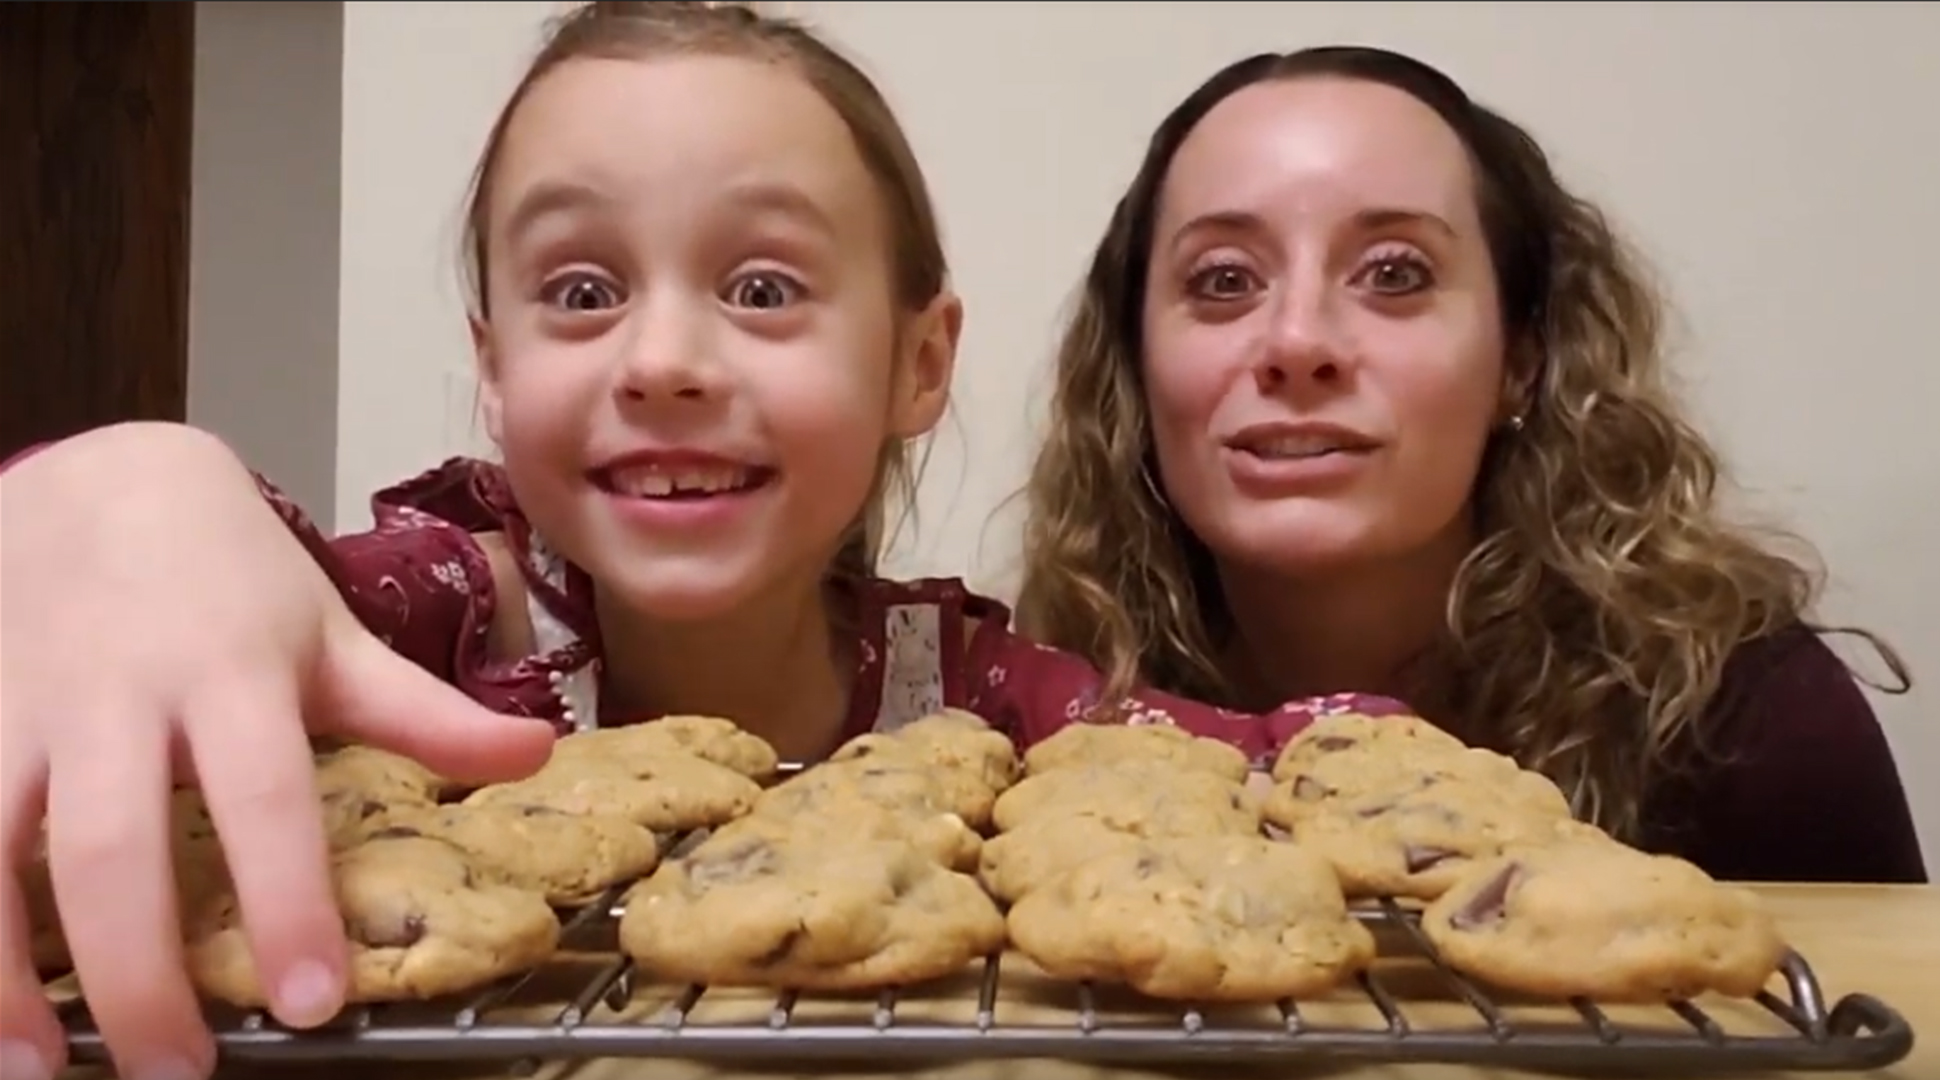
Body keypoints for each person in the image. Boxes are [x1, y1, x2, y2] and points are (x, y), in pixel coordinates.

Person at [0, 10, 1407, 1080]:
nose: (663, 358)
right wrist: (133, 495)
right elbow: (227, 576)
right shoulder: (418, 626)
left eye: (761, 285)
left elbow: (1301, 764)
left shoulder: (972, 692)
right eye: (582, 289)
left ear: (920, 362)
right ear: (493, 369)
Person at [1017, 45, 1927, 890]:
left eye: (1394, 273)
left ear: (1520, 364)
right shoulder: (1052, 712)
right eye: (1223, 280)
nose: (1296, 343)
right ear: (1136, 368)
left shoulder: (1743, 726)